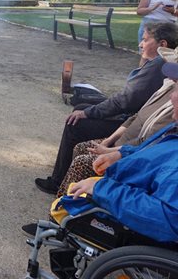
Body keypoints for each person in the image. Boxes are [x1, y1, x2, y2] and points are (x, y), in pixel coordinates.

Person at [34, 22, 178, 194]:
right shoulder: (158, 67)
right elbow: (134, 107)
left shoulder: (159, 67)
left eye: (145, 40)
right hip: (129, 123)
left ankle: (60, 183)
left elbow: (125, 102)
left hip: (129, 128)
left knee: (76, 124)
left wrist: (90, 116)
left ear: (162, 44)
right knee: (81, 109)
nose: (140, 44)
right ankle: (66, 180)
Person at [66, 62, 178, 243]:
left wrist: (102, 188)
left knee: (84, 161)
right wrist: (121, 154)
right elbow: (150, 148)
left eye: (177, 89)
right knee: (84, 149)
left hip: (127, 220)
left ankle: (64, 224)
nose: (172, 96)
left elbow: (168, 219)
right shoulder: (174, 130)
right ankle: (63, 217)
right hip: (123, 183)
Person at [137, 0, 178, 64]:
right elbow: (139, 11)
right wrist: (152, 8)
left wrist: (173, 11)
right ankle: (142, 73)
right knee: (146, 55)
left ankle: (164, 73)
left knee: (167, 56)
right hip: (150, 26)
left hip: (169, 27)